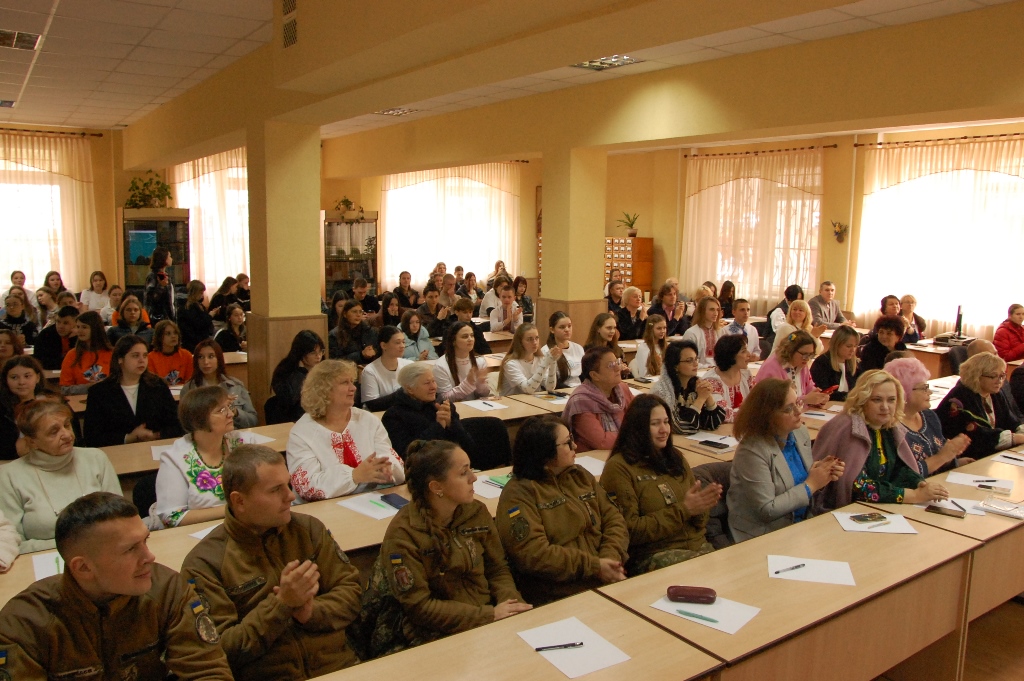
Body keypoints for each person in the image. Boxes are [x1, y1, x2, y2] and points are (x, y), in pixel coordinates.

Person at [0, 492, 234, 680]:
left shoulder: (166, 589)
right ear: (83, 568)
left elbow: (208, 672)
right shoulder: (25, 624)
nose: (149, 557)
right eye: (130, 549)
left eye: (145, 541)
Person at [182, 445, 363, 680]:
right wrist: (281, 605)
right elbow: (220, 648)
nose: (290, 496)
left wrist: (310, 612)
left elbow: (352, 592)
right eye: (276, 489)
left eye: (288, 485)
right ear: (239, 501)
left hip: (340, 667)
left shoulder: (308, 530)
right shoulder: (205, 563)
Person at [377, 439, 528, 647]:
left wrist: (511, 604)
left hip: (489, 615)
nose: (474, 478)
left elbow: (497, 569)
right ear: (436, 487)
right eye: (463, 473)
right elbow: (420, 607)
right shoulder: (404, 534)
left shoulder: (476, 512)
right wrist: (488, 615)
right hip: (436, 633)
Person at [496, 415, 629, 604]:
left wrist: (610, 559)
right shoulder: (519, 494)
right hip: (558, 593)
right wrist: (594, 566)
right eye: (567, 443)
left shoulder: (580, 476)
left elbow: (614, 519)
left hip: (605, 577)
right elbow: (534, 554)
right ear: (545, 452)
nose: (575, 446)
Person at [601, 394, 721, 573]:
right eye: (655, 424)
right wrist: (684, 510)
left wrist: (701, 506)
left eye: (666, 422)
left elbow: (699, 523)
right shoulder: (619, 468)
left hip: (698, 546)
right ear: (638, 428)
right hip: (654, 555)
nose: (664, 430)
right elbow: (628, 530)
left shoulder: (675, 458)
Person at [813, 369, 951, 512]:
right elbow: (859, 487)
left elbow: (900, 469)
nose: (885, 407)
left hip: (878, 507)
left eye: (891, 400)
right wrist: (913, 495)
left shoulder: (888, 427)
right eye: (877, 400)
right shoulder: (850, 429)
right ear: (862, 400)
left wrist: (920, 484)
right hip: (842, 512)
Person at [728, 379, 844, 542]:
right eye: (788, 409)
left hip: (802, 525)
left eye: (797, 403)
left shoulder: (799, 432)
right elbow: (767, 510)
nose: (798, 412)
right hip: (763, 535)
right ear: (767, 416)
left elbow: (799, 482)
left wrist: (823, 472)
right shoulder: (752, 451)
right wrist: (811, 484)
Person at [0, 400, 120, 552]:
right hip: (41, 558)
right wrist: (73, 546)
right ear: (32, 442)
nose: (67, 435)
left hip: (103, 551)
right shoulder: (9, 475)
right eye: (54, 432)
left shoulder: (95, 458)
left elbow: (120, 519)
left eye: (67, 425)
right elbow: (12, 541)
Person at [286, 360, 405, 502]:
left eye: (352, 382)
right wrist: (354, 476)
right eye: (344, 383)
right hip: (321, 508)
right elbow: (306, 486)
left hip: (370, 501)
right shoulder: (302, 432)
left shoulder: (368, 420)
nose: (353, 388)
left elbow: (390, 457)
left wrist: (386, 468)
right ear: (323, 389)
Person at [151, 385, 263, 528]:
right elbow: (172, 517)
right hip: (199, 532)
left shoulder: (243, 443)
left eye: (229, 407)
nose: (230, 414)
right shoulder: (175, 458)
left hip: (246, 525)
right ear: (198, 419)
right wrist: (232, 509)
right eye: (221, 410)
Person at [83, 335, 183, 447]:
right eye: (135, 356)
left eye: (145, 356)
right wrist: (128, 438)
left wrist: (156, 435)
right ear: (120, 359)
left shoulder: (158, 386)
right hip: (118, 452)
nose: (142, 360)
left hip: (153, 449)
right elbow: (92, 437)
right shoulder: (99, 392)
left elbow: (177, 425)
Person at [886, 357, 972, 475]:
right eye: (923, 388)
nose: (929, 392)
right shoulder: (890, 427)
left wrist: (954, 458)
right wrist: (943, 456)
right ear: (903, 392)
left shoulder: (929, 416)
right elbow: (902, 475)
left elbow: (940, 456)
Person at [935, 352, 1024, 459]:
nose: (999, 381)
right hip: (966, 456)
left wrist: (1020, 430)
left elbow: (1009, 420)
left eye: (1002, 376)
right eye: (993, 376)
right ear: (976, 376)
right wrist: (1014, 438)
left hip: (990, 454)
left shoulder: (995, 393)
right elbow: (976, 434)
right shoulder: (961, 395)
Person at [381, 362, 475, 459]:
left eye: (433, 381)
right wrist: (438, 426)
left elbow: (468, 446)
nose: (433, 387)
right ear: (410, 389)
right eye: (427, 383)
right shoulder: (394, 416)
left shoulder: (444, 405)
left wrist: (451, 423)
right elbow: (408, 455)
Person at [563, 346, 635, 451]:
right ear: (595, 375)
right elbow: (602, 442)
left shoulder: (623, 389)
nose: (618, 368)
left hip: (622, 450)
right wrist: (632, 436)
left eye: (617, 362)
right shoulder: (582, 401)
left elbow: (640, 421)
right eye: (611, 365)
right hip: (591, 456)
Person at [651, 340, 726, 432]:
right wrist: (701, 399)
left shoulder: (695, 384)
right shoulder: (662, 392)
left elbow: (714, 422)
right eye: (689, 360)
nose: (696, 364)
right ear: (675, 366)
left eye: (696, 359)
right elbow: (681, 427)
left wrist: (708, 395)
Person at [181, 339, 258, 428]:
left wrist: (234, 411)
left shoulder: (236, 385)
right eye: (200, 357)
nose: (206, 362)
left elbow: (253, 421)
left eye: (211, 356)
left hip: (235, 434)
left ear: (219, 359)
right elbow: (186, 425)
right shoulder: (189, 389)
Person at [0, 356, 56, 460]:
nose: (21, 382)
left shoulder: (53, 401)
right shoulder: (3, 409)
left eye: (27, 376)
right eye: (14, 377)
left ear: (37, 377)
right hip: (14, 461)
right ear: (6, 380)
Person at [755, 331, 829, 408]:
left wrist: (818, 398)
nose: (807, 359)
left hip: (800, 413)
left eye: (810, 355)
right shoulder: (772, 367)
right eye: (804, 354)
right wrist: (804, 400)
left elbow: (809, 389)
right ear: (791, 350)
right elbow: (774, 404)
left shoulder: (802, 365)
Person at [271, 330, 325, 423]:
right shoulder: (286, 373)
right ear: (301, 353)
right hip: (294, 420)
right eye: (313, 353)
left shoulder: (323, 370)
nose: (318, 356)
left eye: (321, 351)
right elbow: (294, 406)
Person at [433, 321, 490, 401]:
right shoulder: (441, 366)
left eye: (472, 335)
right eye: (465, 336)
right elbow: (444, 398)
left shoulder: (480, 361)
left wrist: (481, 383)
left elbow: (484, 394)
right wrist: (468, 383)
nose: (470, 339)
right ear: (454, 341)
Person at [60, 310, 113, 395]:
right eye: (78, 327)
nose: (79, 331)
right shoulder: (72, 355)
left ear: (95, 329)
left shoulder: (111, 354)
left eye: (84, 327)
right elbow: (64, 389)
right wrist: (88, 388)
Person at [497, 322, 558, 396]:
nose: (535, 342)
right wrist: (545, 363)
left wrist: (553, 362)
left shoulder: (540, 359)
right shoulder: (510, 364)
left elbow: (550, 387)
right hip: (512, 401)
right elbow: (528, 389)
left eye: (537, 338)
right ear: (520, 342)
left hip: (533, 400)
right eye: (529, 339)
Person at [704, 334, 754, 422]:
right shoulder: (712, 381)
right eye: (743, 351)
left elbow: (757, 400)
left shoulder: (746, 374)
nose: (749, 354)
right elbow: (722, 414)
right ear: (731, 355)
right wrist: (751, 411)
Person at [361, 325, 413, 408]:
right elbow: (372, 404)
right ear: (383, 345)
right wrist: (402, 393)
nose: (402, 346)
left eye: (403, 342)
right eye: (397, 342)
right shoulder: (370, 371)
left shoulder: (409, 365)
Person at [810, 324, 861, 402]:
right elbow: (824, 392)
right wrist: (852, 396)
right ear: (837, 344)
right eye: (848, 346)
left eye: (855, 346)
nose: (853, 350)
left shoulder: (854, 364)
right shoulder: (822, 363)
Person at [682, 295, 728, 366]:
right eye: (712, 309)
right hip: (698, 370)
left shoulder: (721, 332)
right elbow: (688, 359)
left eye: (717, 310)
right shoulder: (691, 333)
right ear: (702, 311)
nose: (715, 313)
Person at [329, 299, 378, 365]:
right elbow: (336, 360)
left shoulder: (370, 331)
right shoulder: (334, 335)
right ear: (345, 314)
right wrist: (361, 355)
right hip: (346, 369)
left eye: (360, 312)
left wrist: (374, 351)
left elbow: (378, 350)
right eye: (354, 312)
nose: (358, 315)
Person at [544, 311, 585, 388]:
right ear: (552, 330)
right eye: (562, 327)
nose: (567, 329)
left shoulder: (578, 348)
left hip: (579, 388)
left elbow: (584, 375)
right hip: (561, 390)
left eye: (569, 326)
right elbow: (549, 382)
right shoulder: (546, 351)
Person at [147, 319, 194, 385]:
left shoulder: (186, 355)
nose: (173, 336)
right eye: (168, 334)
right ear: (159, 337)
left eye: (175, 333)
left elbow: (190, 381)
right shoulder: (150, 358)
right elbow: (151, 383)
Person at [176, 280, 216, 352]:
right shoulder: (188, 308)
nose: (202, 295)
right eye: (200, 293)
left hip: (200, 339)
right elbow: (198, 324)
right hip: (193, 341)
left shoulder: (198, 305)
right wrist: (210, 316)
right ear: (195, 292)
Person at [33, 305, 78, 370]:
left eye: (66, 323)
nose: (60, 326)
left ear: (76, 323)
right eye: (58, 322)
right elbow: (40, 361)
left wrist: (74, 339)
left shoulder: (82, 336)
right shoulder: (46, 335)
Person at [630, 314, 667, 379]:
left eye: (664, 328)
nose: (663, 331)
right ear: (651, 329)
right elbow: (643, 374)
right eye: (659, 328)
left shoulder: (665, 346)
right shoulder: (644, 348)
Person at [144, 247, 176, 323]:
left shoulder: (166, 276)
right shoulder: (153, 276)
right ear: (164, 258)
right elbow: (150, 299)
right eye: (169, 256)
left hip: (168, 316)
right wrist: (161, 286)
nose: (171, 259)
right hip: (158, 318)